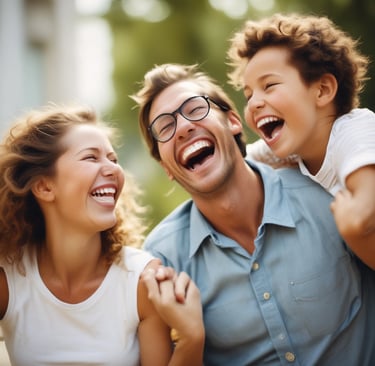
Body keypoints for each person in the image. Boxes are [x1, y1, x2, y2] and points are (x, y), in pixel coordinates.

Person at [131, 63, 375, 366]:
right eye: (165, 128)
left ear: (234, 122)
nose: (183, 128)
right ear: (166, 168)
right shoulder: (162, 260)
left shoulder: (325, 193)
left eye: (195, 109)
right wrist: (190, 337)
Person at [0, 103, 204, 366]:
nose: (113, 169)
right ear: (44, 186)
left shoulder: (141, 281)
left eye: (113, 159)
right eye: (91, 157)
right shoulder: (9, 278)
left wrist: (192, 337)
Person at [227, 13, 375, 269]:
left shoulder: (354, 129)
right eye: (248, 95)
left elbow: (366, 202)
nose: (254, 103)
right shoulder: (291, 150)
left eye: (270, 85)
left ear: (322, 90)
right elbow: (237, 163)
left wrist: (354, 221)